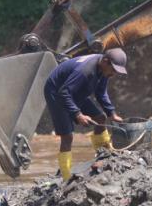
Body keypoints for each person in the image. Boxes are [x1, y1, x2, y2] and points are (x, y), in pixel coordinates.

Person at [44, 48, 128, 180]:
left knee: (101, 118)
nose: (113, 74)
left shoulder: (103, 69)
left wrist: (111, 112)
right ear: (105, 61)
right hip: (57, 92)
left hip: (75, 90)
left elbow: (101, 92)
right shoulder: (85, 71)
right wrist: (78, 114)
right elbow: (64, 93)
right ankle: (66, 176)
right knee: (67, 136)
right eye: (113, 70)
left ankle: (104, 153)